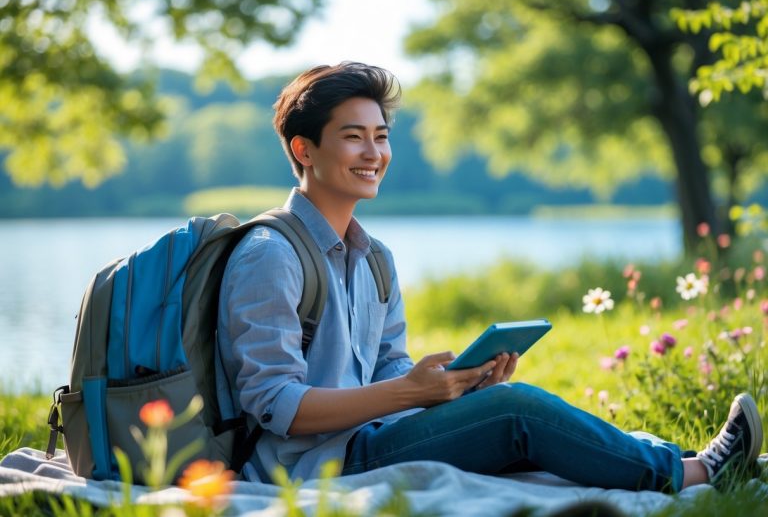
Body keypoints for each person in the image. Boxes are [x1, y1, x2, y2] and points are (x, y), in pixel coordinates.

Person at [214, 61, 764, 491]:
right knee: (515, 411)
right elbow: (277, 404)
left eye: (381, 136)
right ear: (303, 149)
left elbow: (389, 369)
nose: (374, 153)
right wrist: (409, 392)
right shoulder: (271, 254)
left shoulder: (374, 256)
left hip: (374, 437)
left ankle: (686, 458)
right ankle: (695, 474)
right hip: (316, 465)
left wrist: (453, 390)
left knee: (501, 406)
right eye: (354, 136)